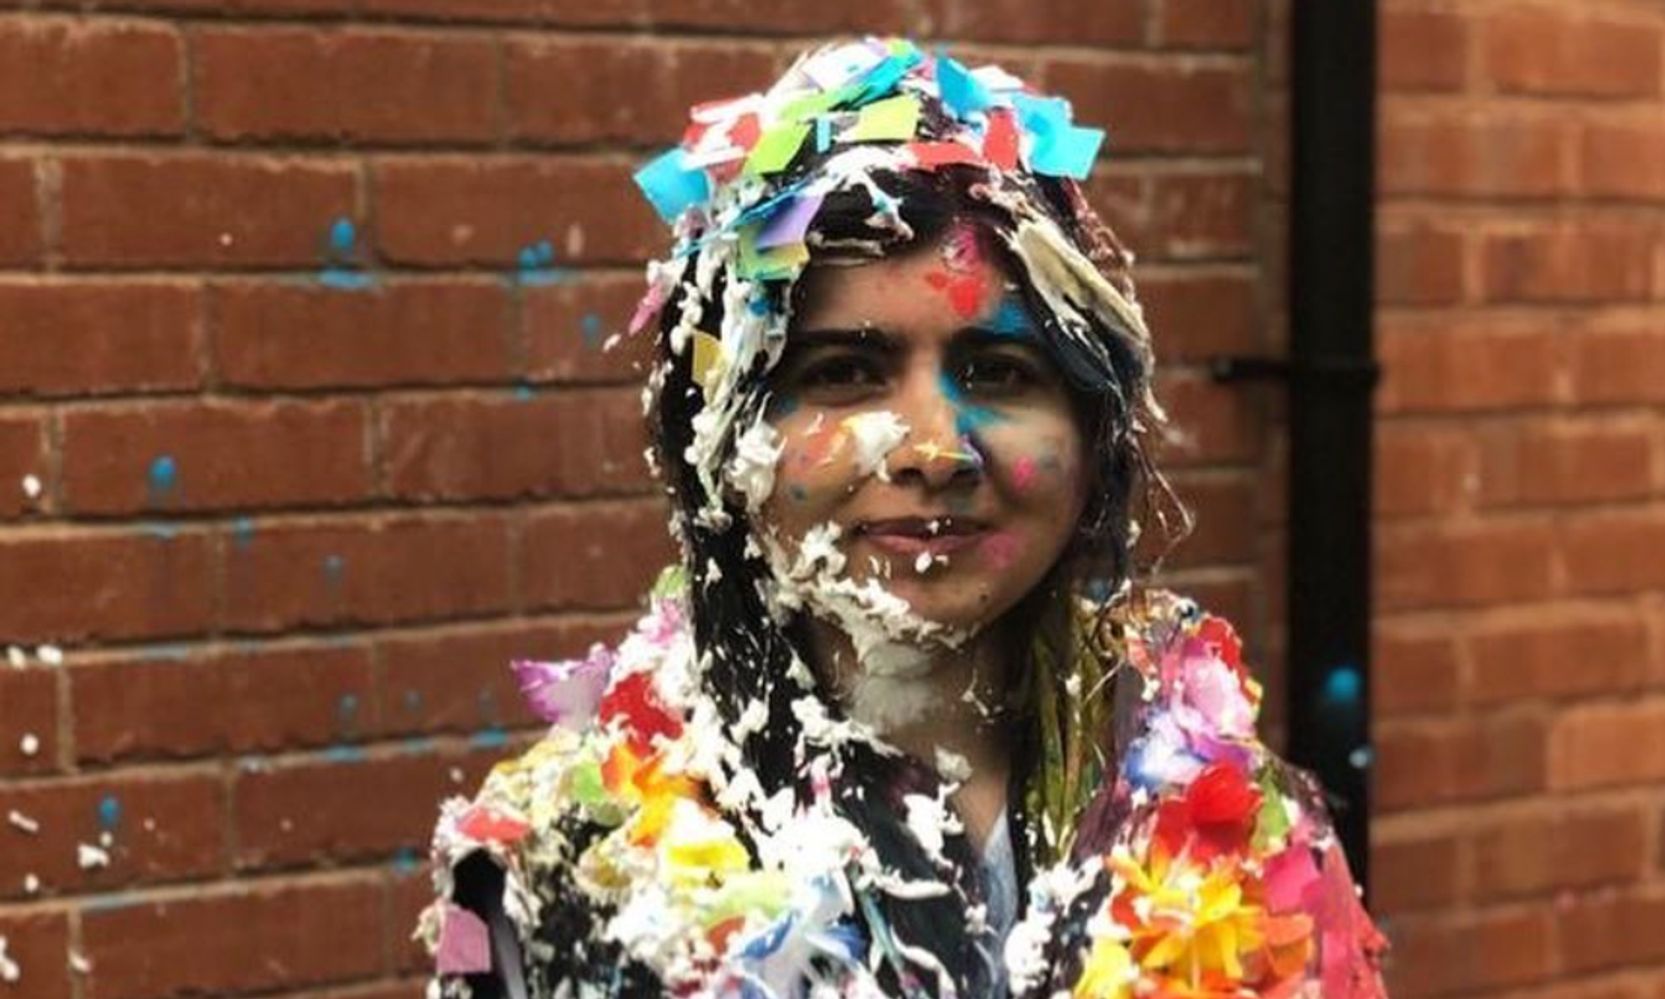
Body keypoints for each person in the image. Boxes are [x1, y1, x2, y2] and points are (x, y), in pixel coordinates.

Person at [417, 37, 1388, 999]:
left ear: (1093, 433)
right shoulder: (553, 871)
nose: (934, 449)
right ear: (717, 437)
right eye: (843, 372)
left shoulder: (1247, 832)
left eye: (999, 373)